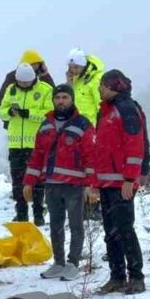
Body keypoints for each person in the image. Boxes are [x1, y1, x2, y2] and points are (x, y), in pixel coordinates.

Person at [22, 84, 95, 281]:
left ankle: (73, 263)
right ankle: (59, 262)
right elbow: (37, 155)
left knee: (76, 224)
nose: (60, 101)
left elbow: (90, 156)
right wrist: (28, 182)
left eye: (64, 97)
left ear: (71, 99)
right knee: (55, 224)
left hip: (74, 185)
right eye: (58, 97)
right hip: (51, 184)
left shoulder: (82, 124)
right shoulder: (45, 124)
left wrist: (90, 185)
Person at [88, 69, 147, 295]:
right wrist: (94, 182)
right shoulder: (104, 111)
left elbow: (135, 145)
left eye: (103, 85)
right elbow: (99, 150)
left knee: (125, 230)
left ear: (114, 87)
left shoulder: (127, 109)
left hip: (122, 182)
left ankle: (137, 277)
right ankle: (117, 276)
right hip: (105, 183)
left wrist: (130, 179)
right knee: (110, 232)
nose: (99, 89)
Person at [0, 63, 54, 225]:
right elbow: (1, 111)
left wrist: (28, 114)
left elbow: (49, 114)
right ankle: (21, 212)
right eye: (20, 82)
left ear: (33, 79)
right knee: (18, 180)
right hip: (16, 144)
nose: (23, 85)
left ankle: (38, 212)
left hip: (36, 144)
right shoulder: (11, 89)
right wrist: (9, 112)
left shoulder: (44, 89)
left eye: (26, 82)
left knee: (37, 180)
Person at [0, 50, 55, 129]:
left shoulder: (43, 76)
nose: (35, 66)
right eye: (33, 64)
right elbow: (2, 99)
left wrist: (45, 75)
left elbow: (54, 96)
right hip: (15, 124)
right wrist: (10, 114)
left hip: (40, 125)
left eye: (37, 64)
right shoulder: (12, 76)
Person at [66, 48, 106, 125]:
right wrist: (69, 85)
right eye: (70, 67)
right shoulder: (75, 79)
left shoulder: (96, 79)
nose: (73, 70)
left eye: (76, 67)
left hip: (91, 128)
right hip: (74, 126)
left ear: (83, 65)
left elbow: (102, 106)